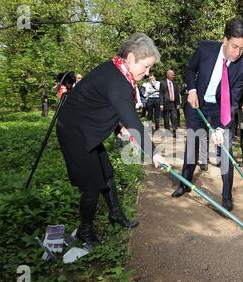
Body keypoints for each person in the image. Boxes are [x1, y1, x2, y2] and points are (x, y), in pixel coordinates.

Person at [56, 33, 165, 247]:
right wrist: (155, 153)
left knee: (106, 173)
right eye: (146, 66)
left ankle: (115, 214)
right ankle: (84, 232)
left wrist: (118, 127)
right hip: (74, 132)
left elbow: (102, 105)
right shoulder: (119, 81)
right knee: (91, 185)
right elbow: (132, 120)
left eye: (150, 68)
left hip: (86, 129)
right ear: (132, 58)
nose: (147, 72)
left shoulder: (117, 71)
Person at [172, 18, 243, 212]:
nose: (237, 53)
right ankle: (185, 183)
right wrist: (191, 90)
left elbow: (233, 100)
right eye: (234, 46)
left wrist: (221, 127)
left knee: (225, 151)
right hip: (197, 102)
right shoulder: (206, 49)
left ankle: (226, 196)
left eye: (242, 48)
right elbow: (190, 69)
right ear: (224, 39)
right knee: (193, 144)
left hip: (220, 109)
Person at [160, 69, 181, 138]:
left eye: (173, 74)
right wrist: (161, 104)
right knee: (166, 119)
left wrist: (178, 103)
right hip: (166, 103)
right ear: (168, 75)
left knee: (174, 118)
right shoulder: (163, 83)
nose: (173, 76)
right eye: (172, 74)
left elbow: (177, 94)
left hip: (173, 104)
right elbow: (161, 94)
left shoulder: (175, 83)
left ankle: (175, 132)